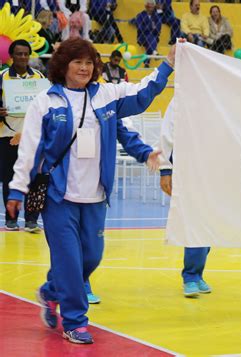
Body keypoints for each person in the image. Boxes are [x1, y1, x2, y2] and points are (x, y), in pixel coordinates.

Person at [7, 37, 175, 344]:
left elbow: (141, 95)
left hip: (96, 196)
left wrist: (167, 66)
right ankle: (74, 321)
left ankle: (51, 290)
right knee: (70, 261)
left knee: (91, 258)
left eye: (89, 62)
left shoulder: (106, 95)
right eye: (77, 62)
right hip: (59, 197)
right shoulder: (46, 102)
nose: (84, 68)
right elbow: (29, 150)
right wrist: (17, 191)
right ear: (64, 66)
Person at [159, 99, 212, 298]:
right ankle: (191, 275)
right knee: (195, 222)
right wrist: (165, 168)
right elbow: (167, 132)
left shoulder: (222, 91)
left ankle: (196, 273)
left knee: (208, 223)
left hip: (218, 167)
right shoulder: (184, 94)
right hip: (188, 167)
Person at [0, 40, 44, 233]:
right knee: (10, 177)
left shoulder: (39, 78)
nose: (23, 57)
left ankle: (32, 220)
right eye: (19, 54)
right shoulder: (2, 78)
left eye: (26, 54)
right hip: (7, 135)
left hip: (33, 137)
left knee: (36, 177)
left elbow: (47, 104)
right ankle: (11, 220)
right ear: (11, 56)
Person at [130, 0, 162, 68]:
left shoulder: (156, 16)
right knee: (149, 35)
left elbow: (158, 28)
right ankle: (154, 51)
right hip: (142, 37)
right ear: (146, 6)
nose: (150, 7)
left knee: (151, 37)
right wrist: (151, 27)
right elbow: (140, 28)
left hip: (153, 37)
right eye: (149, 5)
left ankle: (147, 62)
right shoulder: (140, 15)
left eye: (152, 5)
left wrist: (149, 27)